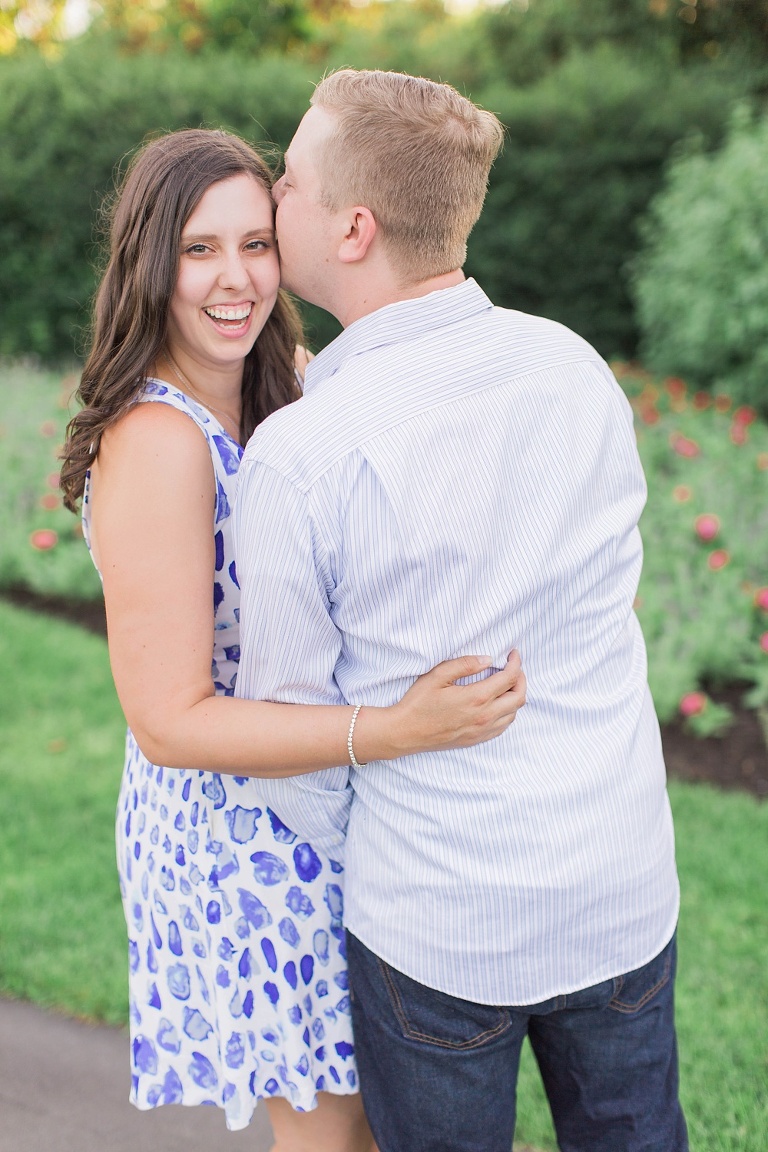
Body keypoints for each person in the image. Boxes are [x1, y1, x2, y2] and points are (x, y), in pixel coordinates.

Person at [231, 70, 689, 1152]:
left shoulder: (303, 452)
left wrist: (398, 843)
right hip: (615, 880)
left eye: (287, 178)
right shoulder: (574, 368)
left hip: (436, 926)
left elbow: (294, 745)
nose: (270, 192)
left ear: (352, 226)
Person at [59, 127, 527, 1151]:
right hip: (241, 840)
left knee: (365, 1121)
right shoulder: (158, 442)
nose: (236, 279)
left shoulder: (292, 388)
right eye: (198, 250)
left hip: (324, 809)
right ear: (150, 263)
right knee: (330, 1126)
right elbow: (172, 722)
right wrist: (393, 729)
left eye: (256, 244)